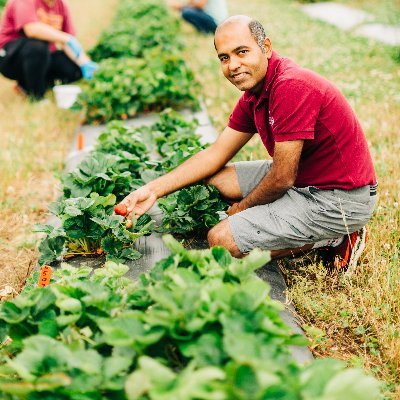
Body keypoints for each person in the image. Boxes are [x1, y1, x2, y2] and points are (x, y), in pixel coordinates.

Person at [120, 15, 377, 271]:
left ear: (265, 47)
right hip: (304, 178)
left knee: (221, 241)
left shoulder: (291, 86)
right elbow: (214, 155)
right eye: (224, 57)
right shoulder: (255, 93)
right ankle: (291, 220)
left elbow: (282, 178)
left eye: (242, 52)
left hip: (338, 199)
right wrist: (152, 190)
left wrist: (242, 209)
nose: (233, 65)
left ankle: (334, 238)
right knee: (218, 179)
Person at [0, 0, 98, 100]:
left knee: (73, 70)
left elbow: (66, 43)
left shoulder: (61, 5)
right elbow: (32, 30)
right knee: (37, 47)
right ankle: (37, 96)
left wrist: (85, 63)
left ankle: (26, 85)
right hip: (11, 56)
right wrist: (67, 38)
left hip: (43, 56)